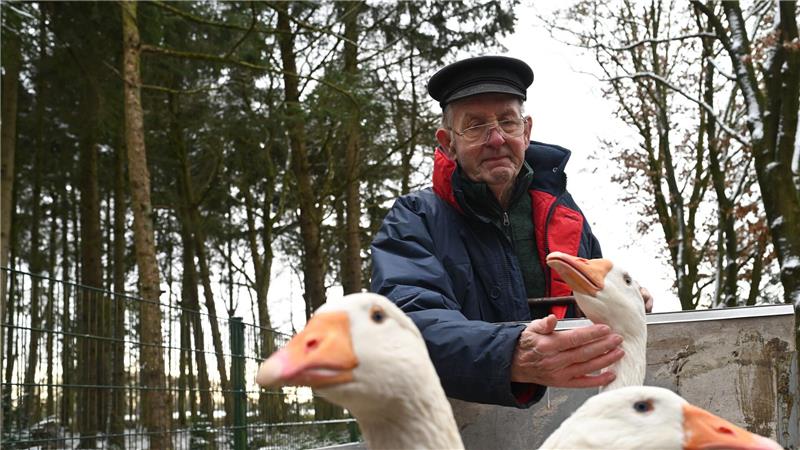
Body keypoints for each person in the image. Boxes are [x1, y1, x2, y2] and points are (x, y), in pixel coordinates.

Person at [370, 55, 653, 408]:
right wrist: (509, 353)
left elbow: (590, 302)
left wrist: (625, 302)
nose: (496, 138)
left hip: (572, 418)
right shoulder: (414, 220)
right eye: (474, 126)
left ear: (527, 130)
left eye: (508, 121)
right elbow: (407, 323)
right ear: (447, 143)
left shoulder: (564, 214)